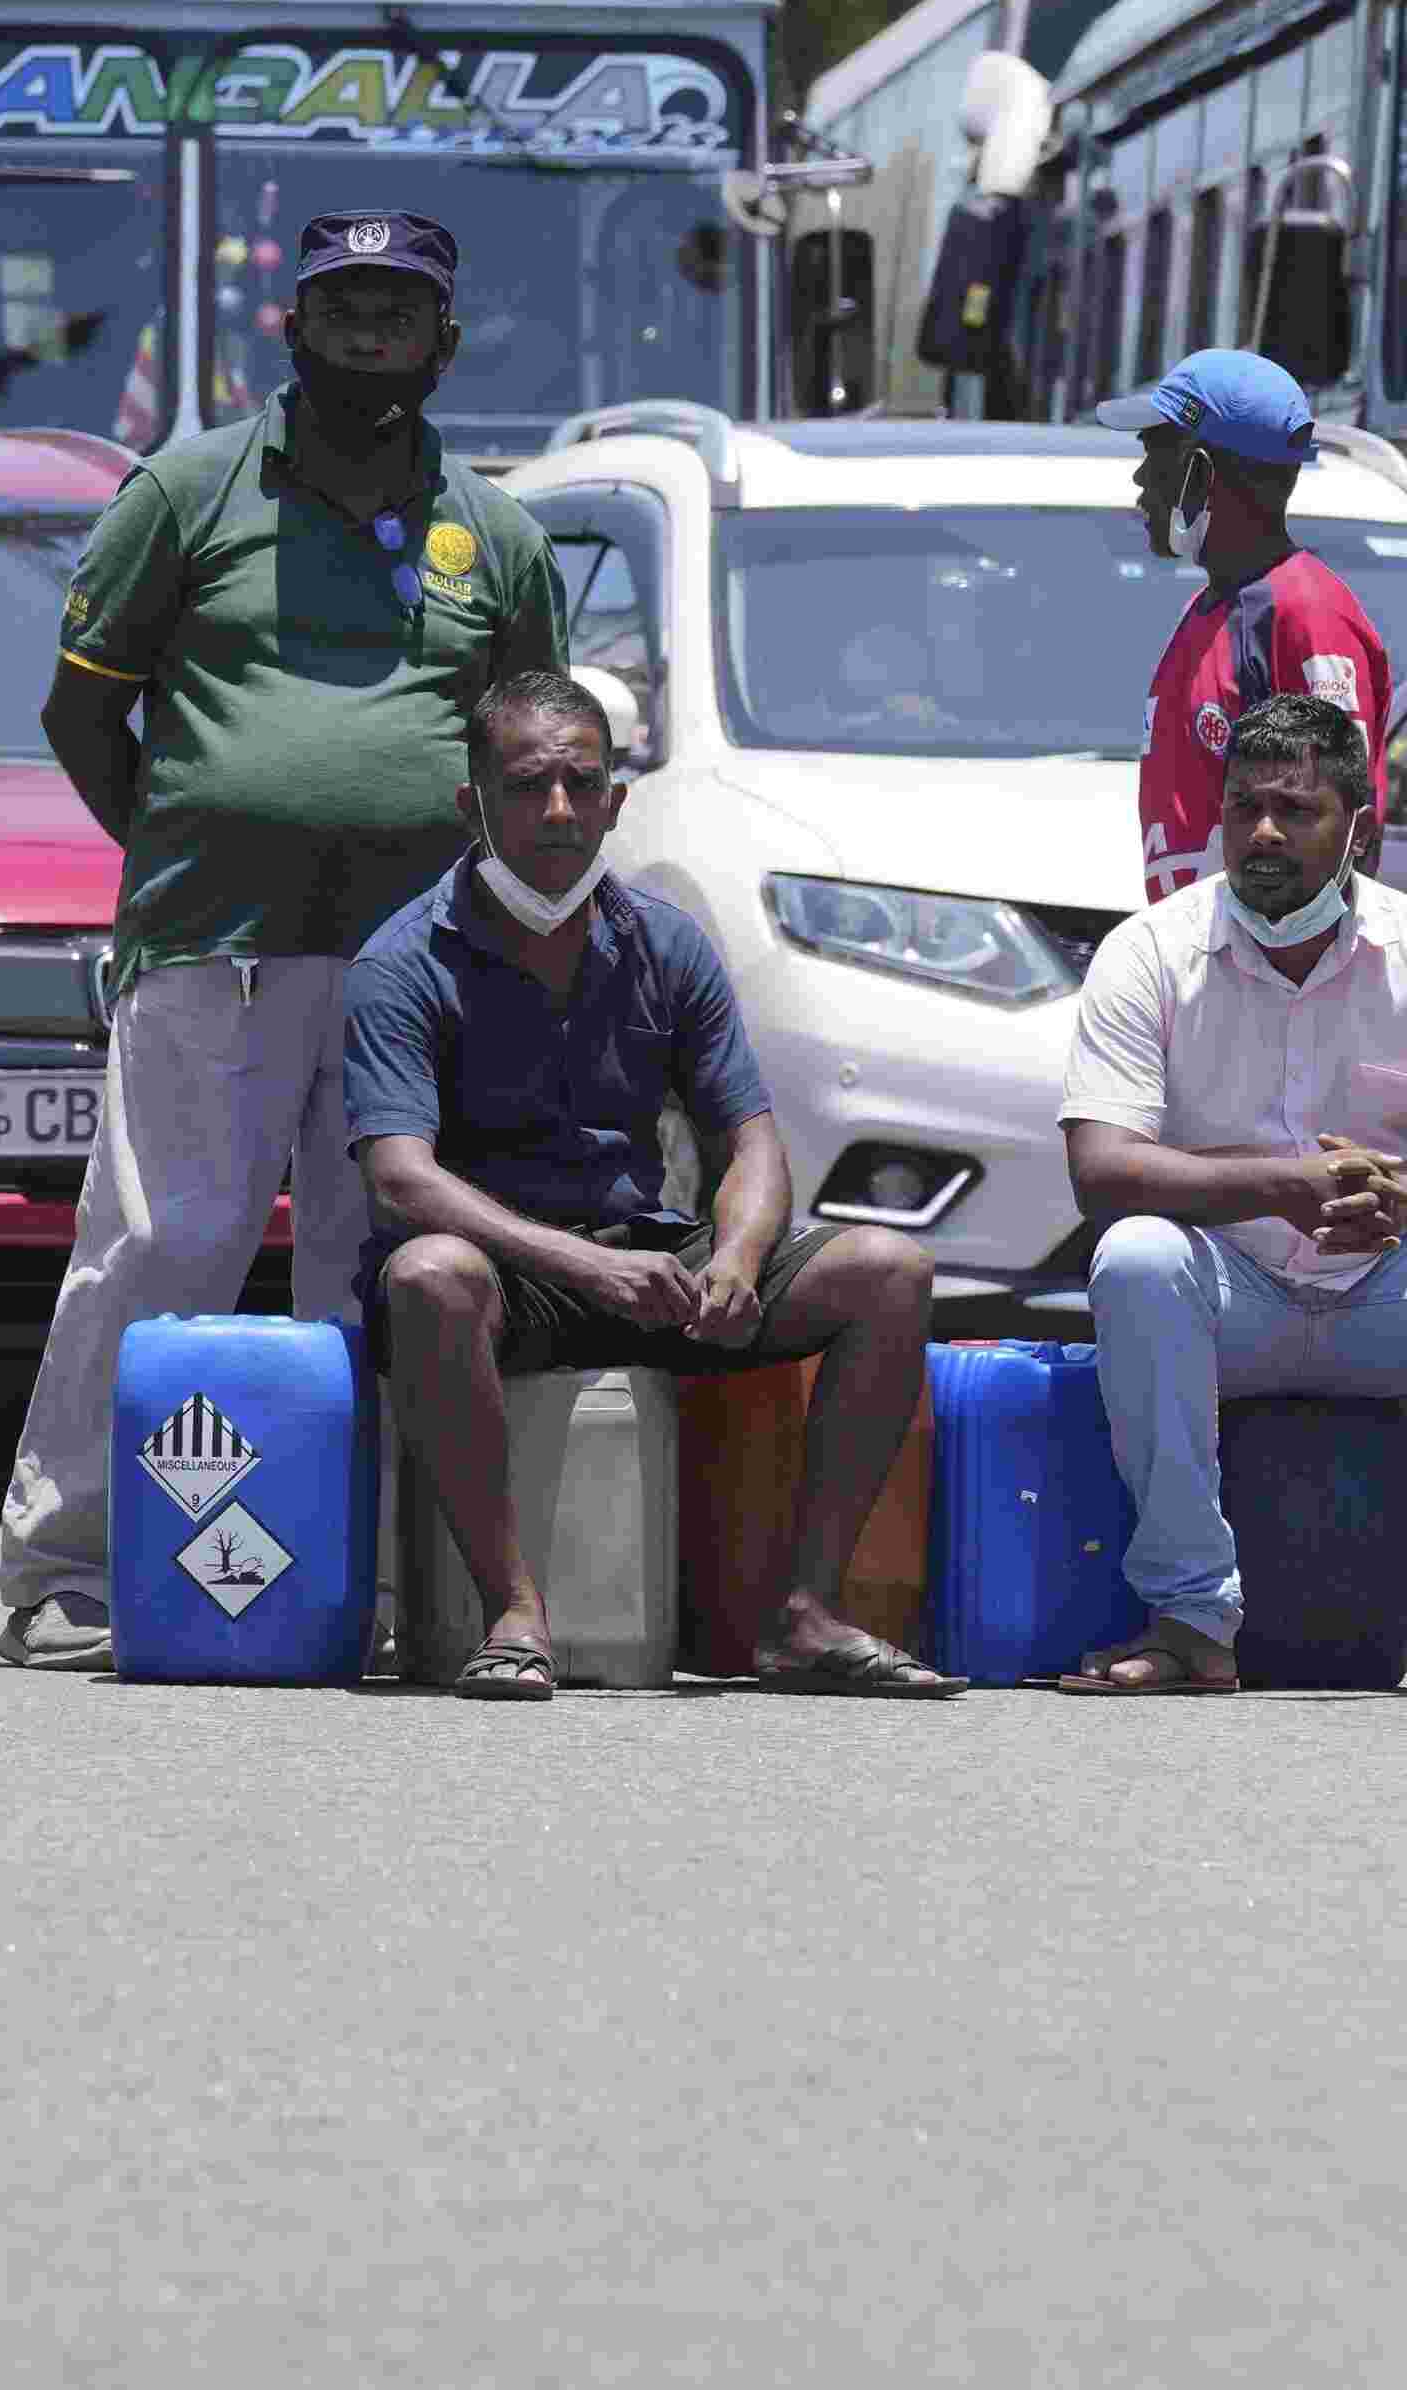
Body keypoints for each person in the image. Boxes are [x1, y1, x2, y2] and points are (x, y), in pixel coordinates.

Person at [8, 208, 561, 1670]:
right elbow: (81, 712)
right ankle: (66, 1565)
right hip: (215, 943)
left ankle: (368, 1584)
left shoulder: (497, 532)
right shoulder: (187, 489)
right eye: (343, 307)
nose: (369, 331)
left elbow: (535, 744)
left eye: (398, 310)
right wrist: (192, 841)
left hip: (414, 983)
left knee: (371, 1275)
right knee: (156, 1250)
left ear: (443, 339)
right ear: (292, 329)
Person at [343, 671, 954, 1702]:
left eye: (584, 785)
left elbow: (751, 1141)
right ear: (472, 804)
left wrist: (738, 1259)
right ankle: (514, 1614)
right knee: (430, 1275)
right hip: (510, 1279)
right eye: (530, 785)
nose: (559, 811)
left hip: (649, 1263)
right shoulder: (403, 960)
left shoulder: (665, 942)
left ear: (617, 802)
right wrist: (586, 1266)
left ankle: (807, 1615)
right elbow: (401, 1176)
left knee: (887, 1267)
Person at [1052, 693, 1407, 1693]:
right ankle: (1191, 1621)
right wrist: (1278, 1185)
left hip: (1387, 1303)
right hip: (1230, 1301)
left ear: (1360, 827)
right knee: (1136, 1256)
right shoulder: (1150, 953)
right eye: (1243, 808)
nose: (1263, 833)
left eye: (1297, 810)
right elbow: (1101, 1168)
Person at [1103, 347, 1392, 901]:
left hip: (1259, 978)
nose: (1141, 479)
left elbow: (1341, 833)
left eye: (1155, 453)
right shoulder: (1209, 609)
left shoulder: (1305, 615)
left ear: (1200, 473)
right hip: (1197, 966)